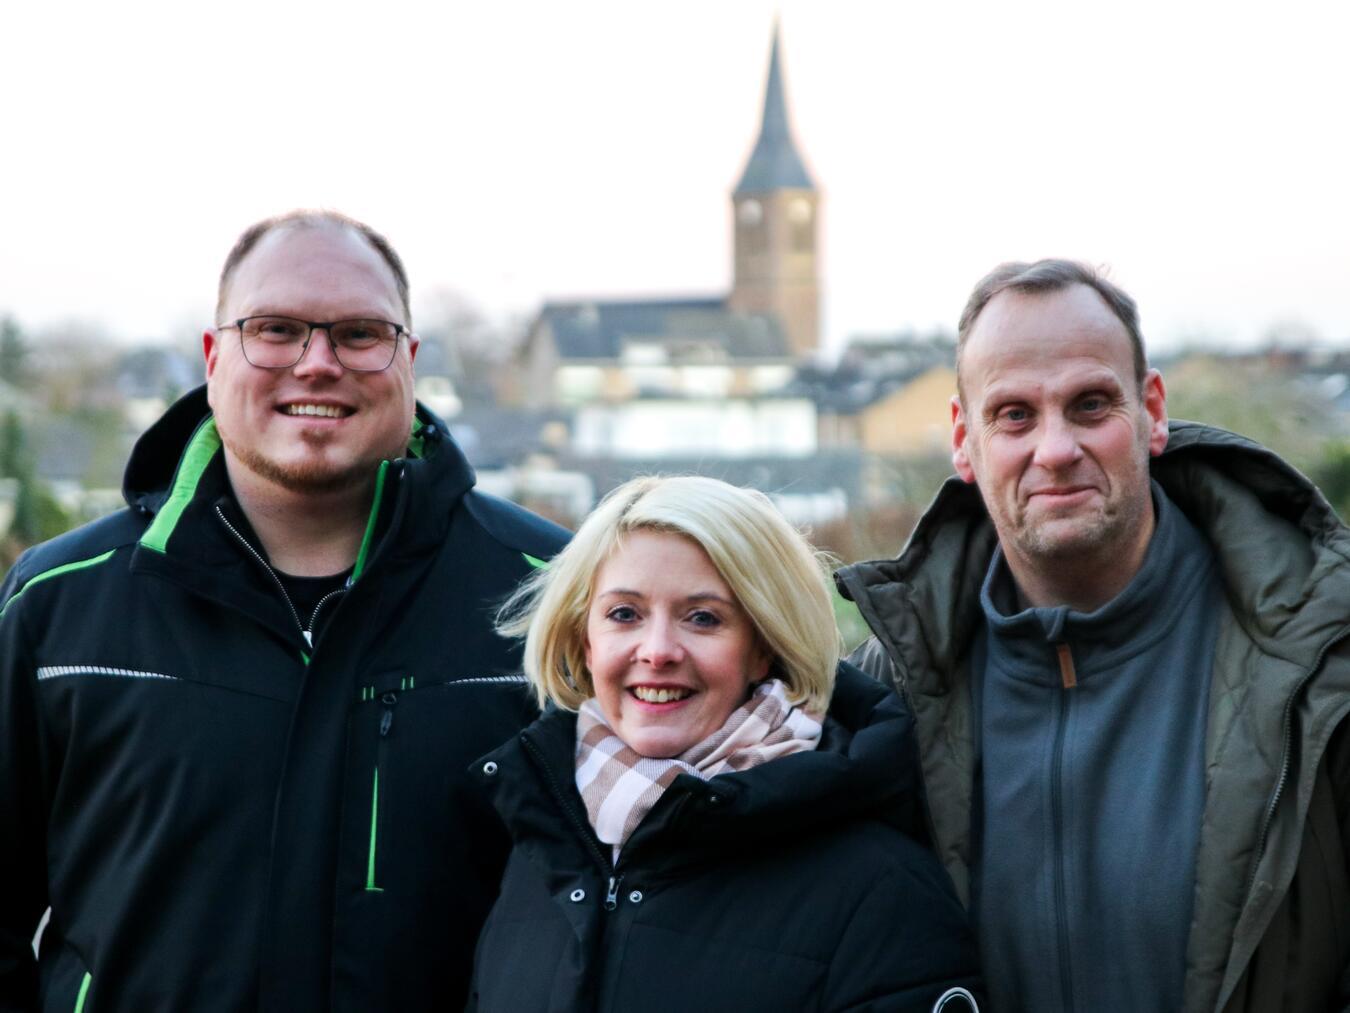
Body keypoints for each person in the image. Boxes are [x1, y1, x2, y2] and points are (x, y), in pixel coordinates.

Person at [0, 210, 567, 1011]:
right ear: (214, 354)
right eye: (276, 329)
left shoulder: (554, 597)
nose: (318, 363)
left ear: (408, 358)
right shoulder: (61, 604)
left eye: (360, 334)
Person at [837, 259, 1350, 1012]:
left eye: (1089, 405)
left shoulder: (1323, 661)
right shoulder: (883, 697)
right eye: (1014, 414)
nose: (1054, 449)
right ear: (963, 438)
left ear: (1152, 410)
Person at [469, 475, 982, 1012]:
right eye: (625, 614)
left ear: (764, 648)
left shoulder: (882, 891)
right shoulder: (543, 851)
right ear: (585, 642)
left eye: (703, 618)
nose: (659, 650)